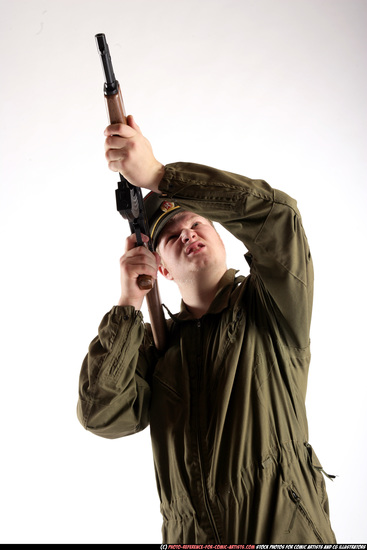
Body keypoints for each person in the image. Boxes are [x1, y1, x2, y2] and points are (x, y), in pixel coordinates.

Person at [77, 115, 336, 543]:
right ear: (160, 266)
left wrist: (161, 176)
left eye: (197, 223)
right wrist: (127, 306)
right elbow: (101, 415)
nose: (188, 233)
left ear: (220, 235)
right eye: (171, 235)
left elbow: (279, 218)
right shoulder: (153, 348)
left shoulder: (271, 305)